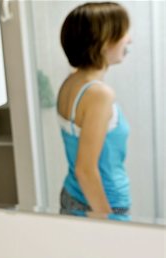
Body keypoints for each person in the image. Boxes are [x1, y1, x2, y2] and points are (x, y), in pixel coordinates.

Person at [57, 2, 132, 219]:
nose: (128, 40)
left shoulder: (71, 82)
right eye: (123, 33)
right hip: (101, 204)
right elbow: (85, 170)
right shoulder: (100, 95)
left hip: (72, 196)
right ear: (103, 43)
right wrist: (107, 222)